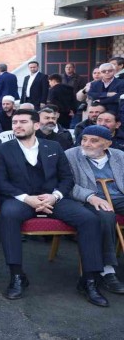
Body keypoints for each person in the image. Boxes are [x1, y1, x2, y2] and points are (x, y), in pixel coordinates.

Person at [0, 109, 108, 306]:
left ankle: (89, 280)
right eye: (15, 122)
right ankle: (17, 276)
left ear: (36, 125)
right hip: (20, 200)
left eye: (22, 122)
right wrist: (28, 199)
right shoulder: (2, 149)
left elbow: (67, 178)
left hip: (54, 198)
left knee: (89, 219)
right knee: (8, 215)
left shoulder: (53, 146)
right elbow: (0, 183)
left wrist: (54, 197)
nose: (17, 126)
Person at [65, 125, 124, 294]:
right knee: (105, 216)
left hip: (119, 196)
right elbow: (67, 184)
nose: (87, 144)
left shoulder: (120, 156)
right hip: (90, 198)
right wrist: (90, 196)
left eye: (94, 141)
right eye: (84, 139)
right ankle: (107, 270)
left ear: (106, 145)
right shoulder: (71, 155)